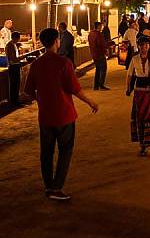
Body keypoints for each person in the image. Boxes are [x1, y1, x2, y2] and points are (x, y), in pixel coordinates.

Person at [24, 27, 98, 201]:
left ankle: (49, 185)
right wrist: (91, 102)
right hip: (64, 114)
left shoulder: (36, 64)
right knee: (65, 151)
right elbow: (75, 89)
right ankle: (56, 187)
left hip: (46, 116)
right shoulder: (64, 63)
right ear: (56, 41)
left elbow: (28, 90)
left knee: (46, 152)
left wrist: (42, 99)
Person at [88, 21, 109, 90]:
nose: (102, 28)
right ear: (98, 27)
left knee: (98, 69)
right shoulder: (99, 34)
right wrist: (105, 51)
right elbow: (100, 45)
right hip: (100, 54)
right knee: (103, 69)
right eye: (101, 26)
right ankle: (101, 84)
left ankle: (96, 85)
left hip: (94, 54)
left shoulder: (90, 34)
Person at [5, 31, 22, 107]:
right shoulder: (10, 45)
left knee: (16, 84)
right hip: (13, 67)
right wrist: (24, 57)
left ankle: (16, 100)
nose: (18, 40)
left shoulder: (14, 45)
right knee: (14, 85)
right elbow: (13, 59)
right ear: (15, 38)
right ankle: (14, 101)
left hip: (15, 66)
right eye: (18, 38)